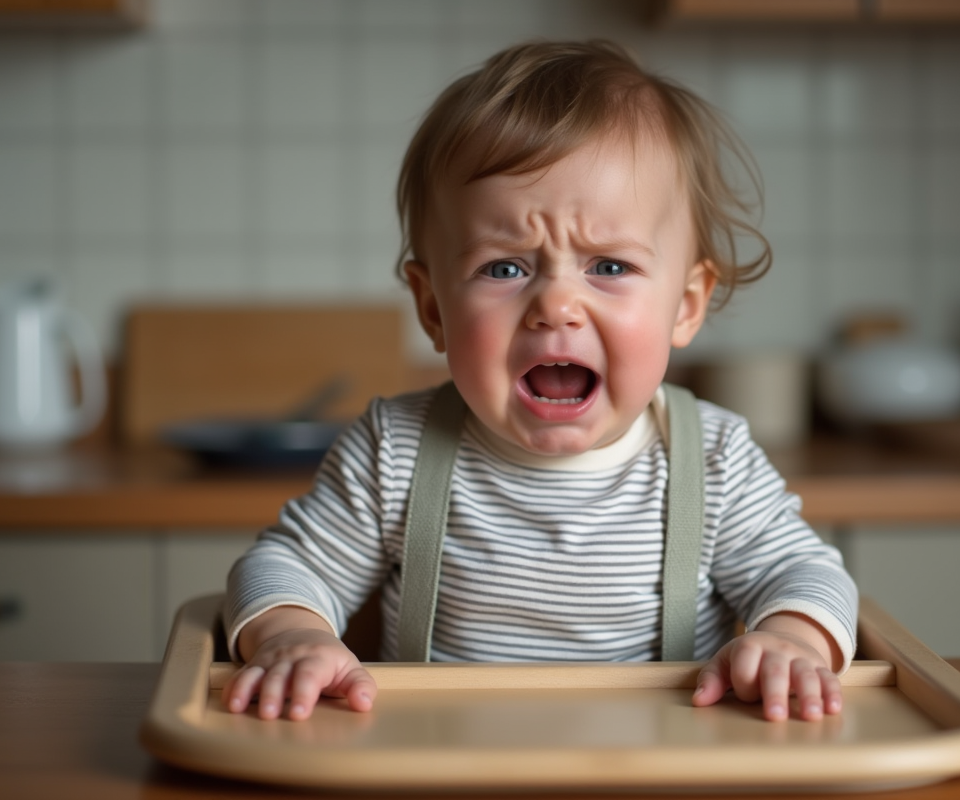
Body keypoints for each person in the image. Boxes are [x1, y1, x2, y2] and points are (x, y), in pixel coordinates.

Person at [222, 39, 857, 725]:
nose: (557, 305)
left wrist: (793, 640)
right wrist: (293, 634)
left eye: (608, 267)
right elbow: (284, 566)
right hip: (443, 771)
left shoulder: (714, 459)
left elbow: (807, 575)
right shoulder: (395, 451)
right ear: (433, 308)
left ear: (686, 305)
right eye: (505, 269)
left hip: (658, 776)